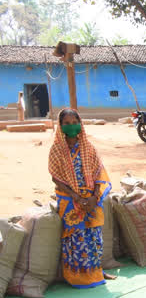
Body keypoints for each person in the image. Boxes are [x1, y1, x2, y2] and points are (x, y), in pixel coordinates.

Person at [49, 108, 117, 288]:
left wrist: (95, 197)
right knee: (76, 238)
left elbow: (98, 172)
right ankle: (78, 277)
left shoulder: (88, 147)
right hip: (69, 200)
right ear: (61, 126)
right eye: (67, 123)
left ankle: (96, 272)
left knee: (95, 238)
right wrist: (75, 197)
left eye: (74, 122)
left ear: (80, 124)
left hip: (91, 199)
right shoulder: (57, 149)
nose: (72, 126)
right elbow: (56, 177)